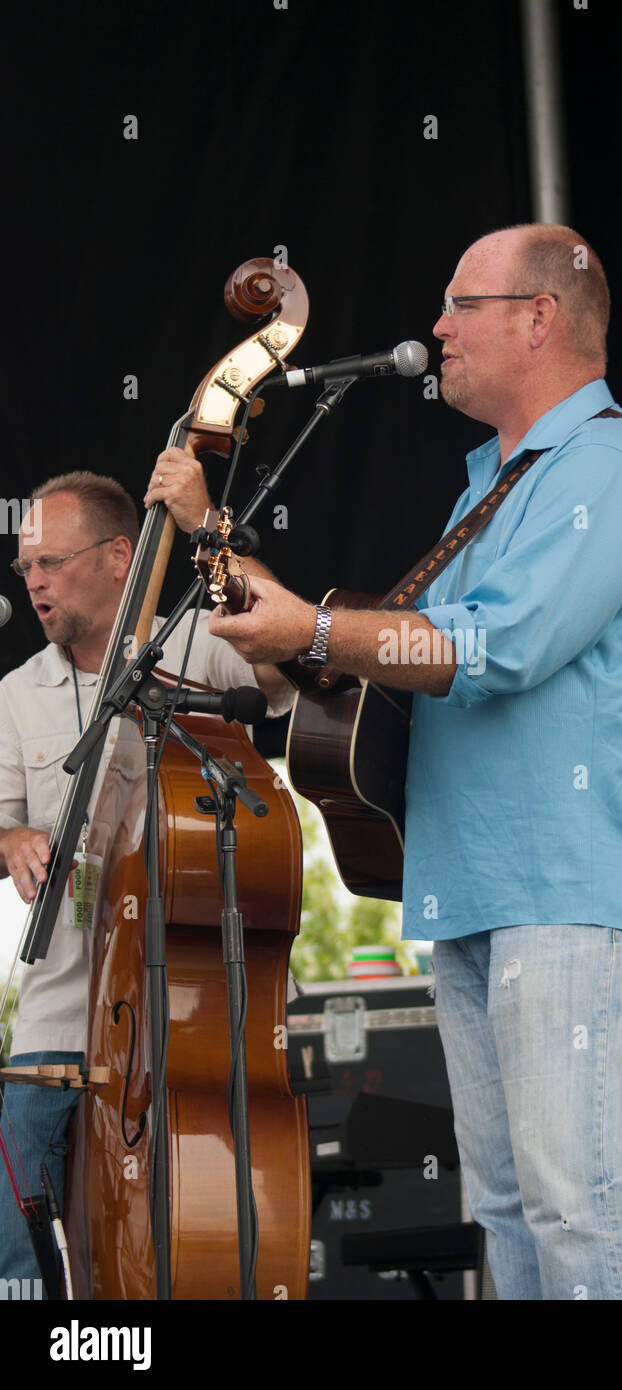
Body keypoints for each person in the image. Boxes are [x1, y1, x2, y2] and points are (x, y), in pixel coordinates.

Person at [209, 223, 622, 1300]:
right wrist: (272, 605)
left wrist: (310, 629)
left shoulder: (614, 466)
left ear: (538, 318)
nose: (436, 328)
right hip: (477, 891)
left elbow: (491, 647)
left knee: (581, 1202)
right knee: (509, 1212)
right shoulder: (487, 492)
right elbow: (395, 656)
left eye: (459, 303)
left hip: (577, 890)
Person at [0, 462, 292, 1294]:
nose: (33, 584)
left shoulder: (196, 639)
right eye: (25, 569)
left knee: (188, 1228)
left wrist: (214, 533)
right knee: (13, 1216)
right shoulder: (17, 694)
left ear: (121, 556)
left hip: (189, 1008)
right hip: (62, 1003)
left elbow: (293, 664)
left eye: (49, 563)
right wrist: (12, 835)